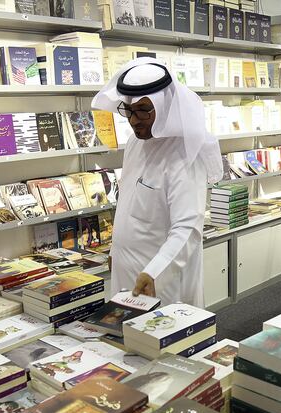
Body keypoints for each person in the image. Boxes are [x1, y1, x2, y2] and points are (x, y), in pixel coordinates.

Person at [92, 58, 222, 307]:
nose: (134, 120)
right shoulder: (135, 143)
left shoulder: (183, 153)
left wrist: (155, 271)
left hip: (161, 278)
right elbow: (128, 203)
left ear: (165, 106)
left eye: (143, 110)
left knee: (166, 339)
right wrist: (113, 251)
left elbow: (188, 229)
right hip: (126, 268)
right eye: (128, 110)